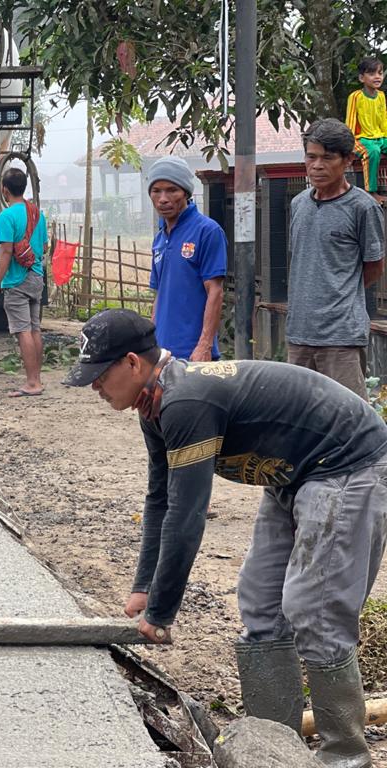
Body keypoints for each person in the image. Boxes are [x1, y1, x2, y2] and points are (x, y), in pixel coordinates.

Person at [65, 308, 387, 767]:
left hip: (347, 465)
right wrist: (144, 587)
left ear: (133, 363)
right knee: (260, 602)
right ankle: (275, 749)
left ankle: (346, 757)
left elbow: (188, 514)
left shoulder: (185, 402)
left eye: (99, 375)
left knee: (314, 608)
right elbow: (160, 500)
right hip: (292, 475)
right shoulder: (155, 405)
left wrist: (162, 612)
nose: (94, 386)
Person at [287, 118, 385, 399]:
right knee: (296, 418)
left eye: (328, 158)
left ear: (348, 161)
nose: (317, 166)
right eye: (311, 157)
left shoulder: (363, 208)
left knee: (347, 421)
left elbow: (375, 267)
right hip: (299, 333)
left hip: (341, 337)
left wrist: (339, 293)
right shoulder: (299, 204)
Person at [146, 156, 226, 362]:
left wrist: (204, 346)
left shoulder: (207, 231)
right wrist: (150, 343)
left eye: (172, 190)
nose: (163, 198)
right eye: (156, 191)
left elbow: (215, 292)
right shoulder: (159, 238)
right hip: (162, 352)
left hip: (193, 353)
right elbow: (159, 295)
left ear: (186, 193)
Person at [0, 167, 48, 397]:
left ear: (4, 190)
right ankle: (37, 379)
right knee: (34, 329)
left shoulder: (6, 216)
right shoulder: (37, 213)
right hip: (36, 276)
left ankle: (32, 383)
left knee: (23, 331)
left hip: (16, 279)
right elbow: (42, 247)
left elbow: (5, 253)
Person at [346, 57, 387, 199]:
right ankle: (371, 192)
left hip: (380, 137)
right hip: (361, 139)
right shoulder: (356, 96)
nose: (377, 77)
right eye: (372, 73)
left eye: (380, 73)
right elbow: (350, 122)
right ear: (362, 78)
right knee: (372, 153)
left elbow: (384, 120)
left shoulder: (381, 96)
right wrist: (349, 143)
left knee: (379, 147)